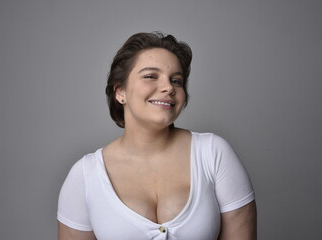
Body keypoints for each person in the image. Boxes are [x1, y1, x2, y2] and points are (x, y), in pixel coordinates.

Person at [57, 32, 257, 240]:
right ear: (120, 92)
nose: (169, 87)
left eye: (177, 81)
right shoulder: (85, 176)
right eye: (151, 76)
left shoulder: (213, 153)